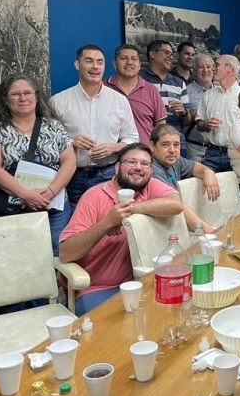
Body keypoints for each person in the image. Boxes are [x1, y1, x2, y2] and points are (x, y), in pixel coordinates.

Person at [58, 143, 184, 315]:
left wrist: (130, 209)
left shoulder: (150, 187)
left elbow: (176, 205)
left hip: (141, 280)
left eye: (145, 164)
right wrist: (108, 222)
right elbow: (66, 253)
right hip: (95, 287)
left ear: (151, 171)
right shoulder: (94, 196)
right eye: (131, 162)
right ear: (117, 167)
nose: (138, 168)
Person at [0, 74, 76, 255]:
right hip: (14, 206)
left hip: (54, 205)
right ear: (5, 99)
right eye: (15, 94)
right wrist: (26, 195)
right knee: (19, 256)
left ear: (36, 96)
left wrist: (49, 193)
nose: (23, 98)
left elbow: (69, 161)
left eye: (27, 93)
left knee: (58, 254)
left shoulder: (54, 126)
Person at [50, 44, 140, 210]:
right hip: (71, 175)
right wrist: (70, 142)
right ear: (77, 64)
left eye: (100, 62)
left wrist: (114, 147)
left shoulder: (119, 101)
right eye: (89, 61)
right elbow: (48, 143)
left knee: (108, 223)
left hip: (107, 173)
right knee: (74, 225)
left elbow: (133, 138)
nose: (95, 66)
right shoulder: (58, 102)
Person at [148, 124, 217, 233]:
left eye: (176, 145)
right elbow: (176, 204)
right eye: (165, 144)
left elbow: (195, 167)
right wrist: (212, 233)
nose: (172, 150)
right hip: (160, 229)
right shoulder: (151, 168)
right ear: (152, 146)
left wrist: (208, 172)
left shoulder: (175, 160)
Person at [105, 44, 167, 145]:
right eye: (124, 58)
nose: (129, 62)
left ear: (139, 64)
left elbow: (161, 126)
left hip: (143, 156)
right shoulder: (103, 87)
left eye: (134, 59)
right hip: (108, 156)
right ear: (114, 63)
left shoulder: (151, 90)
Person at [139, 40, 192, 157]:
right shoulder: (139, 78)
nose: (170, 57)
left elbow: (187, 121)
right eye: (166, 53)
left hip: (177, 141)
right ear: (152, 54)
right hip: (149, 141)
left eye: (172, 54)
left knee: (180, 175)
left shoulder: (179, 83)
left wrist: (184, 113)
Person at [196, 55, 240, 173]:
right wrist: (206, 124)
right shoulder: (208, 95)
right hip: (212, 154)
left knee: (236, 191)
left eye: (216, 65)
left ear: (229, 68)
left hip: (237, 154)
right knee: (205, 189)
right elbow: (199, 124)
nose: (212, 69)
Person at [183, 54, 215, 163]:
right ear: (194, 70)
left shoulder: (221, 91)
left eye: (208, 66)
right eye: (201, 67)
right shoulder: (186, 91)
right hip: (194, 149)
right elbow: (183, 120)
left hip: (216, 149)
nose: (206, 70)